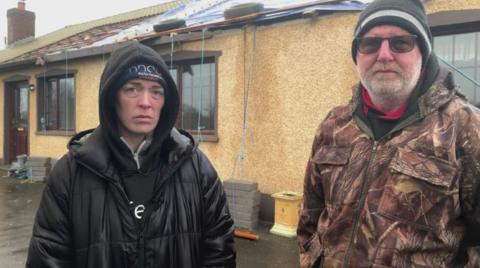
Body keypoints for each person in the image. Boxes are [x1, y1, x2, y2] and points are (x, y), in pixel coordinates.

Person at [297, 0, 480, 267]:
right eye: (370, 44)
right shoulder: (334, 125)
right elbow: (310, 215)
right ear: (357, 55)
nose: (384, 54)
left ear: (423, 53)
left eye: (401, 43)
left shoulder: (465, 128)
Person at [26, 41, 236, 267]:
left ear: (166, 101)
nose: (146, 103)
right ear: (111, 97)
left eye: (156, 91)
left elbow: (220, 252)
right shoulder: (70, 173)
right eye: (132, 89)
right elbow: (47, 257)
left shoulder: (197, 167)